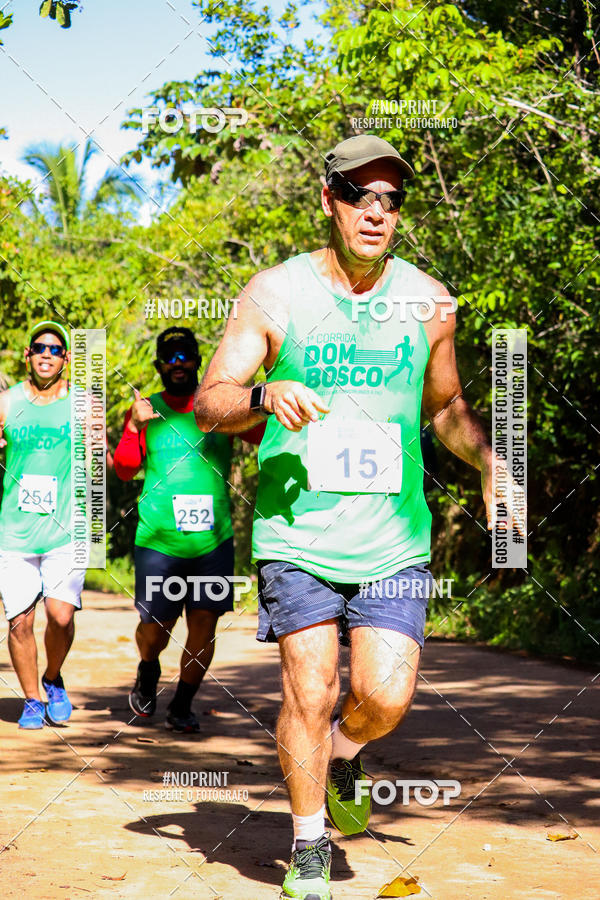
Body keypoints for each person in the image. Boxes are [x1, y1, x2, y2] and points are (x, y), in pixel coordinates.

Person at [194, 134, 511, 899]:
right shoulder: (275, 294)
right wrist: (265, 395)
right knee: (310, 684)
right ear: (330, 202)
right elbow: (212, 401)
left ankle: (343, 750)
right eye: (360, 196)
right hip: (296, 534)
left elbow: (445, 407)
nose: (376, 212)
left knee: (386, 696)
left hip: (391, 537)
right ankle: (308, 849)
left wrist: (495, 463)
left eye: (391, 200)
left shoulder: (428, 301)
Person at [114, 327, 262, 734]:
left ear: (198, 362)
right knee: (155, 628)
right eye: (170, 358)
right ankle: (147, 669)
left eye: (186, 357)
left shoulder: (217, 409)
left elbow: (265, 435)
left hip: (213, 541)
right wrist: (133, 427)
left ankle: (182, 703)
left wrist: (265, 399)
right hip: (159, 541)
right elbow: (125, 468)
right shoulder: (147, 409)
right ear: (159, 365)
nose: (178, 365)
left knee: (204, 623)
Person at [0, 321, 86, 729]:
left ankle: (52, 678)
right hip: (15, 530)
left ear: (66, 358)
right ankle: (33, 698)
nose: (46, 353)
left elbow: (98, 465)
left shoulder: (84, 403)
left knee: (61, 616)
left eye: (55, 348)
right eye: (39, 347)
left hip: (66, 529)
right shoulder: (7, 402)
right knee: (19, 621)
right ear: (28, 355)